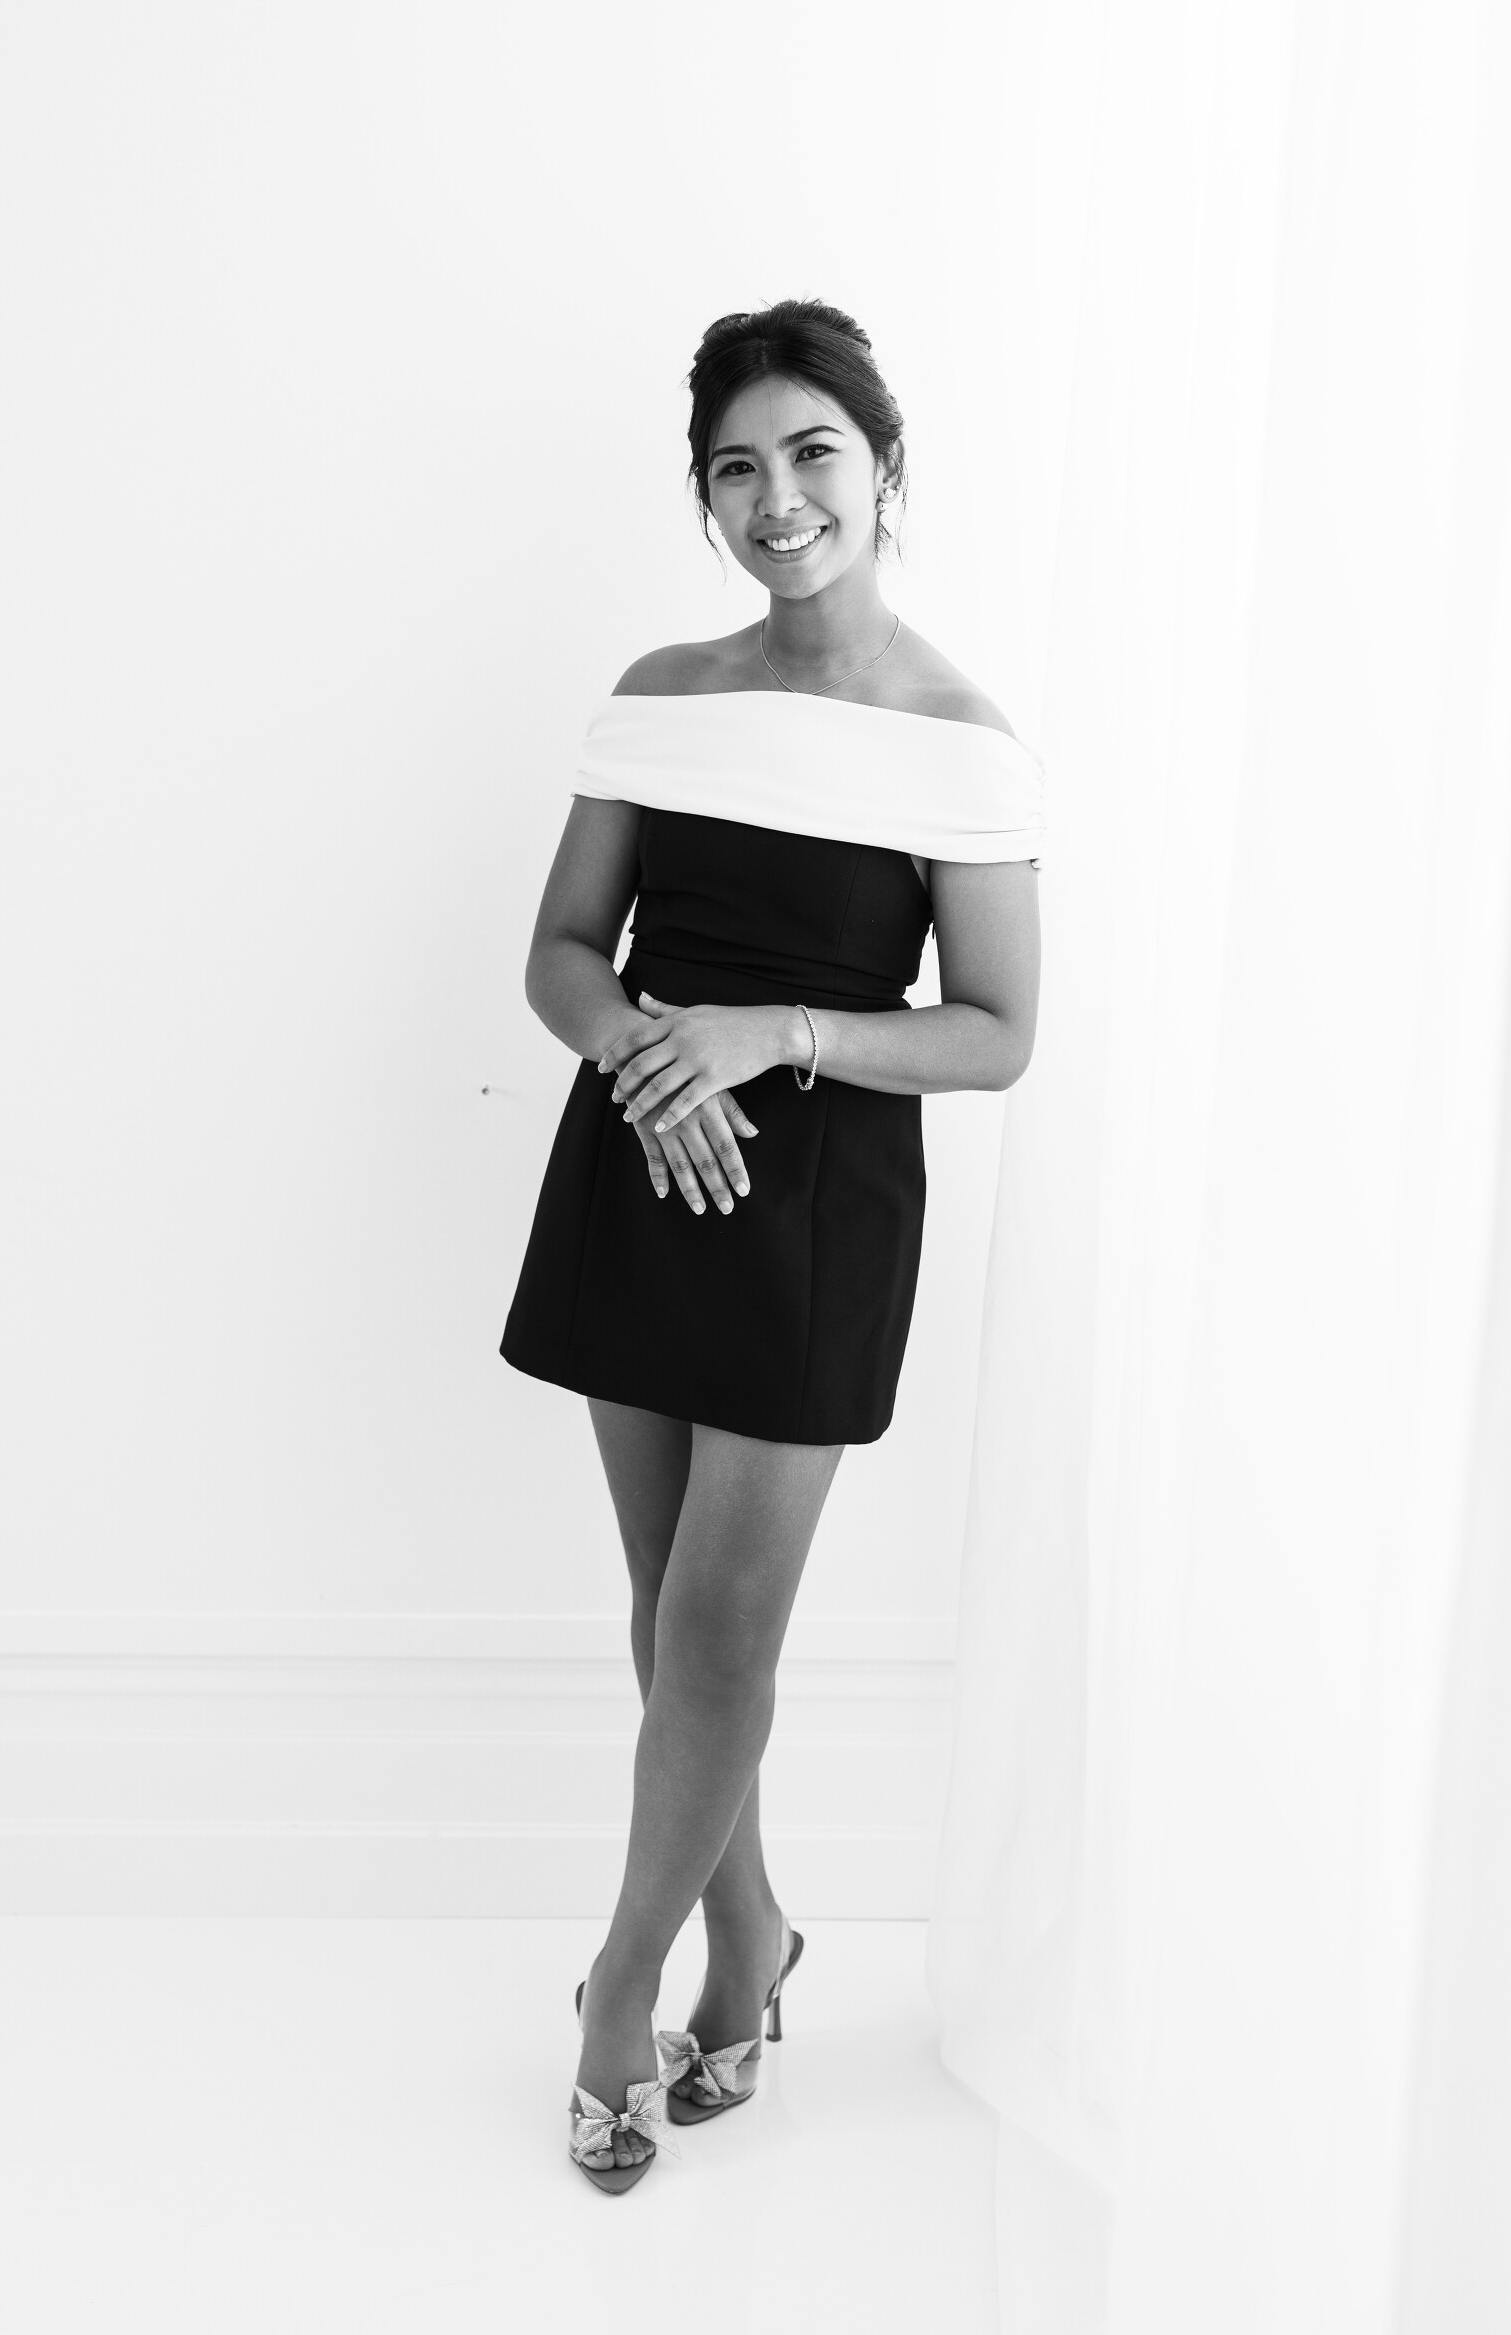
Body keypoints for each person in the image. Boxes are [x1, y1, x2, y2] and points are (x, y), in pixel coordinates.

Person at [500, 298, 1044, 2193]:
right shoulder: (661, 693)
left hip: (817, 1205)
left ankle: (617, 1987)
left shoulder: (959, 739)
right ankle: (750, 1941)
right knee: (666, 1608)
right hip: (640, 1159)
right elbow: (561, 952)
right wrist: (644, 1054)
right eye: (735, 468)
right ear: (706, 499)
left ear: (882, 470)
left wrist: (776, 1033)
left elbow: (996, 1033)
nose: (776, 497)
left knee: (722, 1623)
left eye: (811, 453)